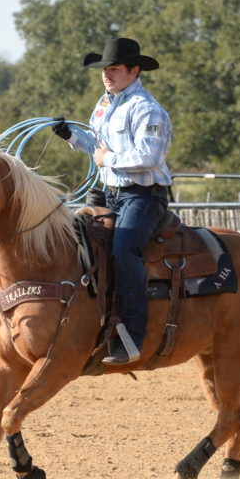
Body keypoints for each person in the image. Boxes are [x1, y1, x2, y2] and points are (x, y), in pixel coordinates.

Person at [51, 36, 173, 365]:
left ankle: (133, 335)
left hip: (143, 195)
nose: (107, 74)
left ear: (134, 71)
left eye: (114, 69)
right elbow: (96, 146)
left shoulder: (148, 109)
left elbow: (148, 156)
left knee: (123, 249)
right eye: (104, 69)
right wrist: (71, 136)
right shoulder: (104, 104)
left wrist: (107, 160)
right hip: (111, 193)